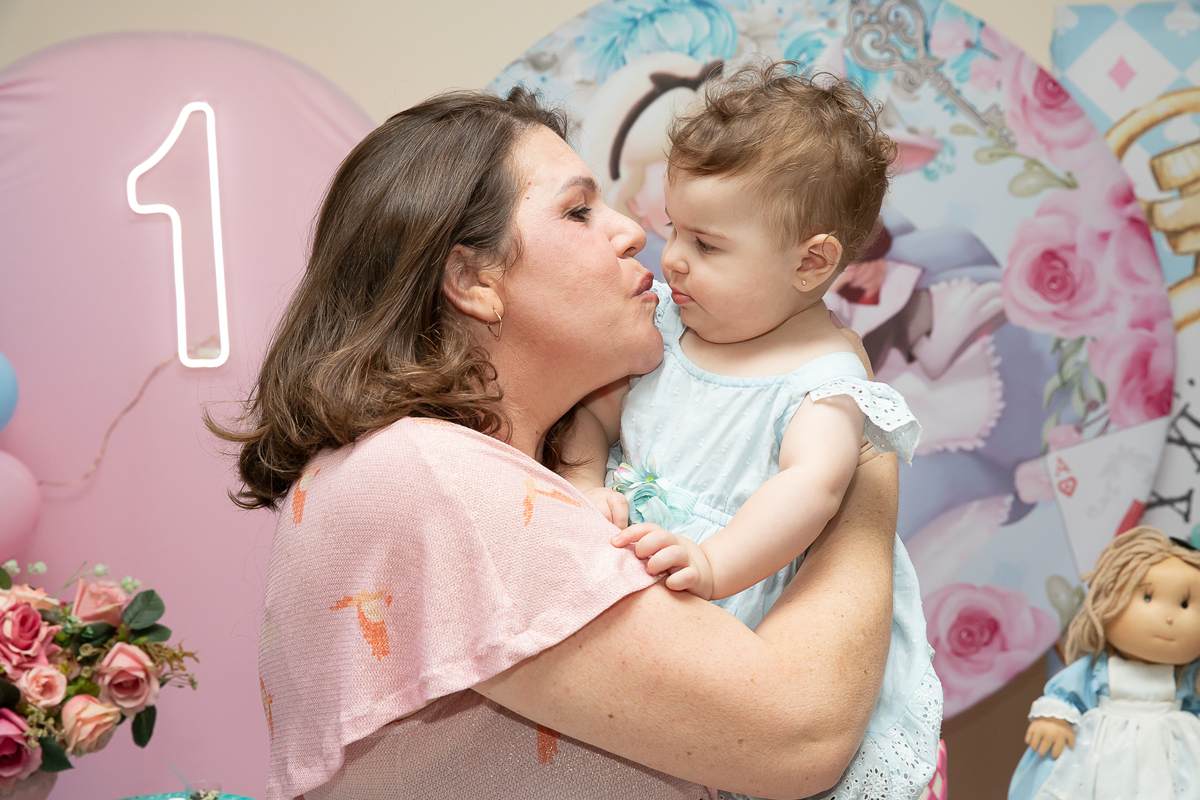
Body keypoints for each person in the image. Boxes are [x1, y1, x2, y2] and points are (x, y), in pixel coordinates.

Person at [215, 86, 904, 800]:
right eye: (579, 211)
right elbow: (801, 737)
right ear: (474, 281)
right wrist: (865, 445)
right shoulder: (435, 476)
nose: (634, 233)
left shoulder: (469, 469)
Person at [560, 63, 941, 800]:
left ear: (811, 262)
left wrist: (715, 563)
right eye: (674, 229)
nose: (672, 258)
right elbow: (596, 409)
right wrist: (582, 476)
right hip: (646, 577)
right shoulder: (668, 322)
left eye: (707, 245)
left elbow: (812, 486)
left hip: (747, 587)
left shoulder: (825, 376)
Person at [1008, 527, 1200, 800]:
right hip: (1104, 753)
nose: (1168, 617)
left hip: (1173, 754)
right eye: (1147, 597)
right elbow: (1066, 695)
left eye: (1184, 604)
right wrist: (1054, 719)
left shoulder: (1187, 677)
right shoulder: (1098, 669)